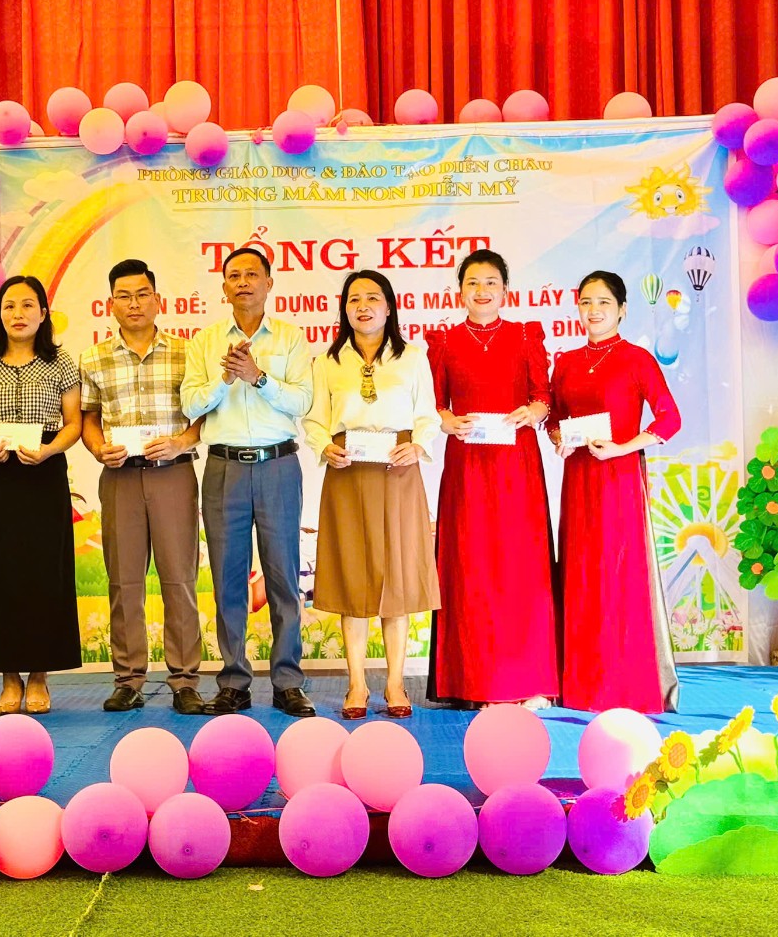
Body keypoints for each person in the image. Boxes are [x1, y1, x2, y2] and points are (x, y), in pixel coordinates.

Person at [182, 246, 316, 717]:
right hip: (224, 469)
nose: (243, 282)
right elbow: (190, 404)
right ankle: (234, 681)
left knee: (283, 577)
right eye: (234, 276)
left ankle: (288, 682)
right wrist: (225, 378)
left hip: (278, 465)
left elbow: (303, 402)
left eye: (252, 275)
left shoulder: (291, 338)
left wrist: (258, 377)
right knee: (228, 579)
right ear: (224, 288)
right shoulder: (204, 342)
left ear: (269, 283)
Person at [303, 271, 441, 721]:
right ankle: (357, 683)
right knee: (353, 578)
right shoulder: (328, 361)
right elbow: (315, 419)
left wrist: (417, 446)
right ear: (344, 309)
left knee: (395, 577)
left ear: (389, 307)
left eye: (372, 298)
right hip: (348, 472)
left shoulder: (412, 357)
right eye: (354, 300)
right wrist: (324, 446)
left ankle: (396, 682)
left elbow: (427, 416)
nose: (363, 307)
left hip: (398, 470)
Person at [425, 248, 557, 708]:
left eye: (490, 283)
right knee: (472, 568)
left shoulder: (524, 336)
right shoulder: (444, 342)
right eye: (473, 283)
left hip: (517, 467)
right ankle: (476, 683)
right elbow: (433, 405)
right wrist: (445, 420)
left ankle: (529, 681)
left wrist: (534, 411)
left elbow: (543, 397)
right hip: (467, 469)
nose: (481, 291)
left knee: (522, 569)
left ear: (506, 290)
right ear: (459, 291)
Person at [549, 270, 681, 713]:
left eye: (604, 302)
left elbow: (669, 418)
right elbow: (555, 419)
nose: (594, 310)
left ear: (622, 309)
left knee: (618, 577)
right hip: (578, 481)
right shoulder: (566, 362)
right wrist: (559, 438)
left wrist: (623, 447)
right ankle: (581, 686)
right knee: (580, 576)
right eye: (586, 302)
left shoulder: (636, 359)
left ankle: (623, 686)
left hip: (618, 480)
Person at [80, 260, 206, 715]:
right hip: (120, 476)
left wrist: (180, 442)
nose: (134, 303)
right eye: (124, 296)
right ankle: (128, 679)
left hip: (173, 473)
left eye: (142, 294)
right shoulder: (93, 357)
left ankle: (185, 680)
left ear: (157, 300)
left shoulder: (187, 352)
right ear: (110, 304)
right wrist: (98, 449)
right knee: (124, 580)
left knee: (179, 579)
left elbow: (203, 416)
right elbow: (89, 418)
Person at [0, 275, 83, 716]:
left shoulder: (60, 362)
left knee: (44, 572)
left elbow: (73, 423)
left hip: (44, 472)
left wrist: (49, 450)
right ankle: (9, 677)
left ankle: (40, 676)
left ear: (43, 313)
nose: (18, 314)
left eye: (28, 305)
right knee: (0, 574)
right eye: (9, 306)